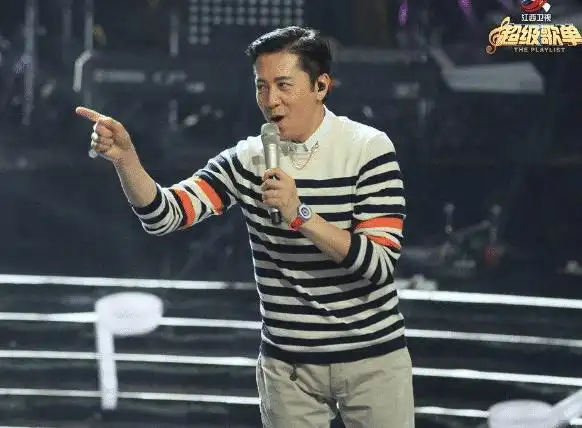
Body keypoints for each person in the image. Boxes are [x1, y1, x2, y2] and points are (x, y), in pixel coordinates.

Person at [76, 26, 414, 428]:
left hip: (372, 361)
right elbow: (164, 215)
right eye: (261, 86)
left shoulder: (368, 149)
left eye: (284, 85)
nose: (271, 101)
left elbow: (378, 264)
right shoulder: (248, 159)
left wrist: (300, 215)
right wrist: (126, 160)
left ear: (321, 86)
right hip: (288, 369)